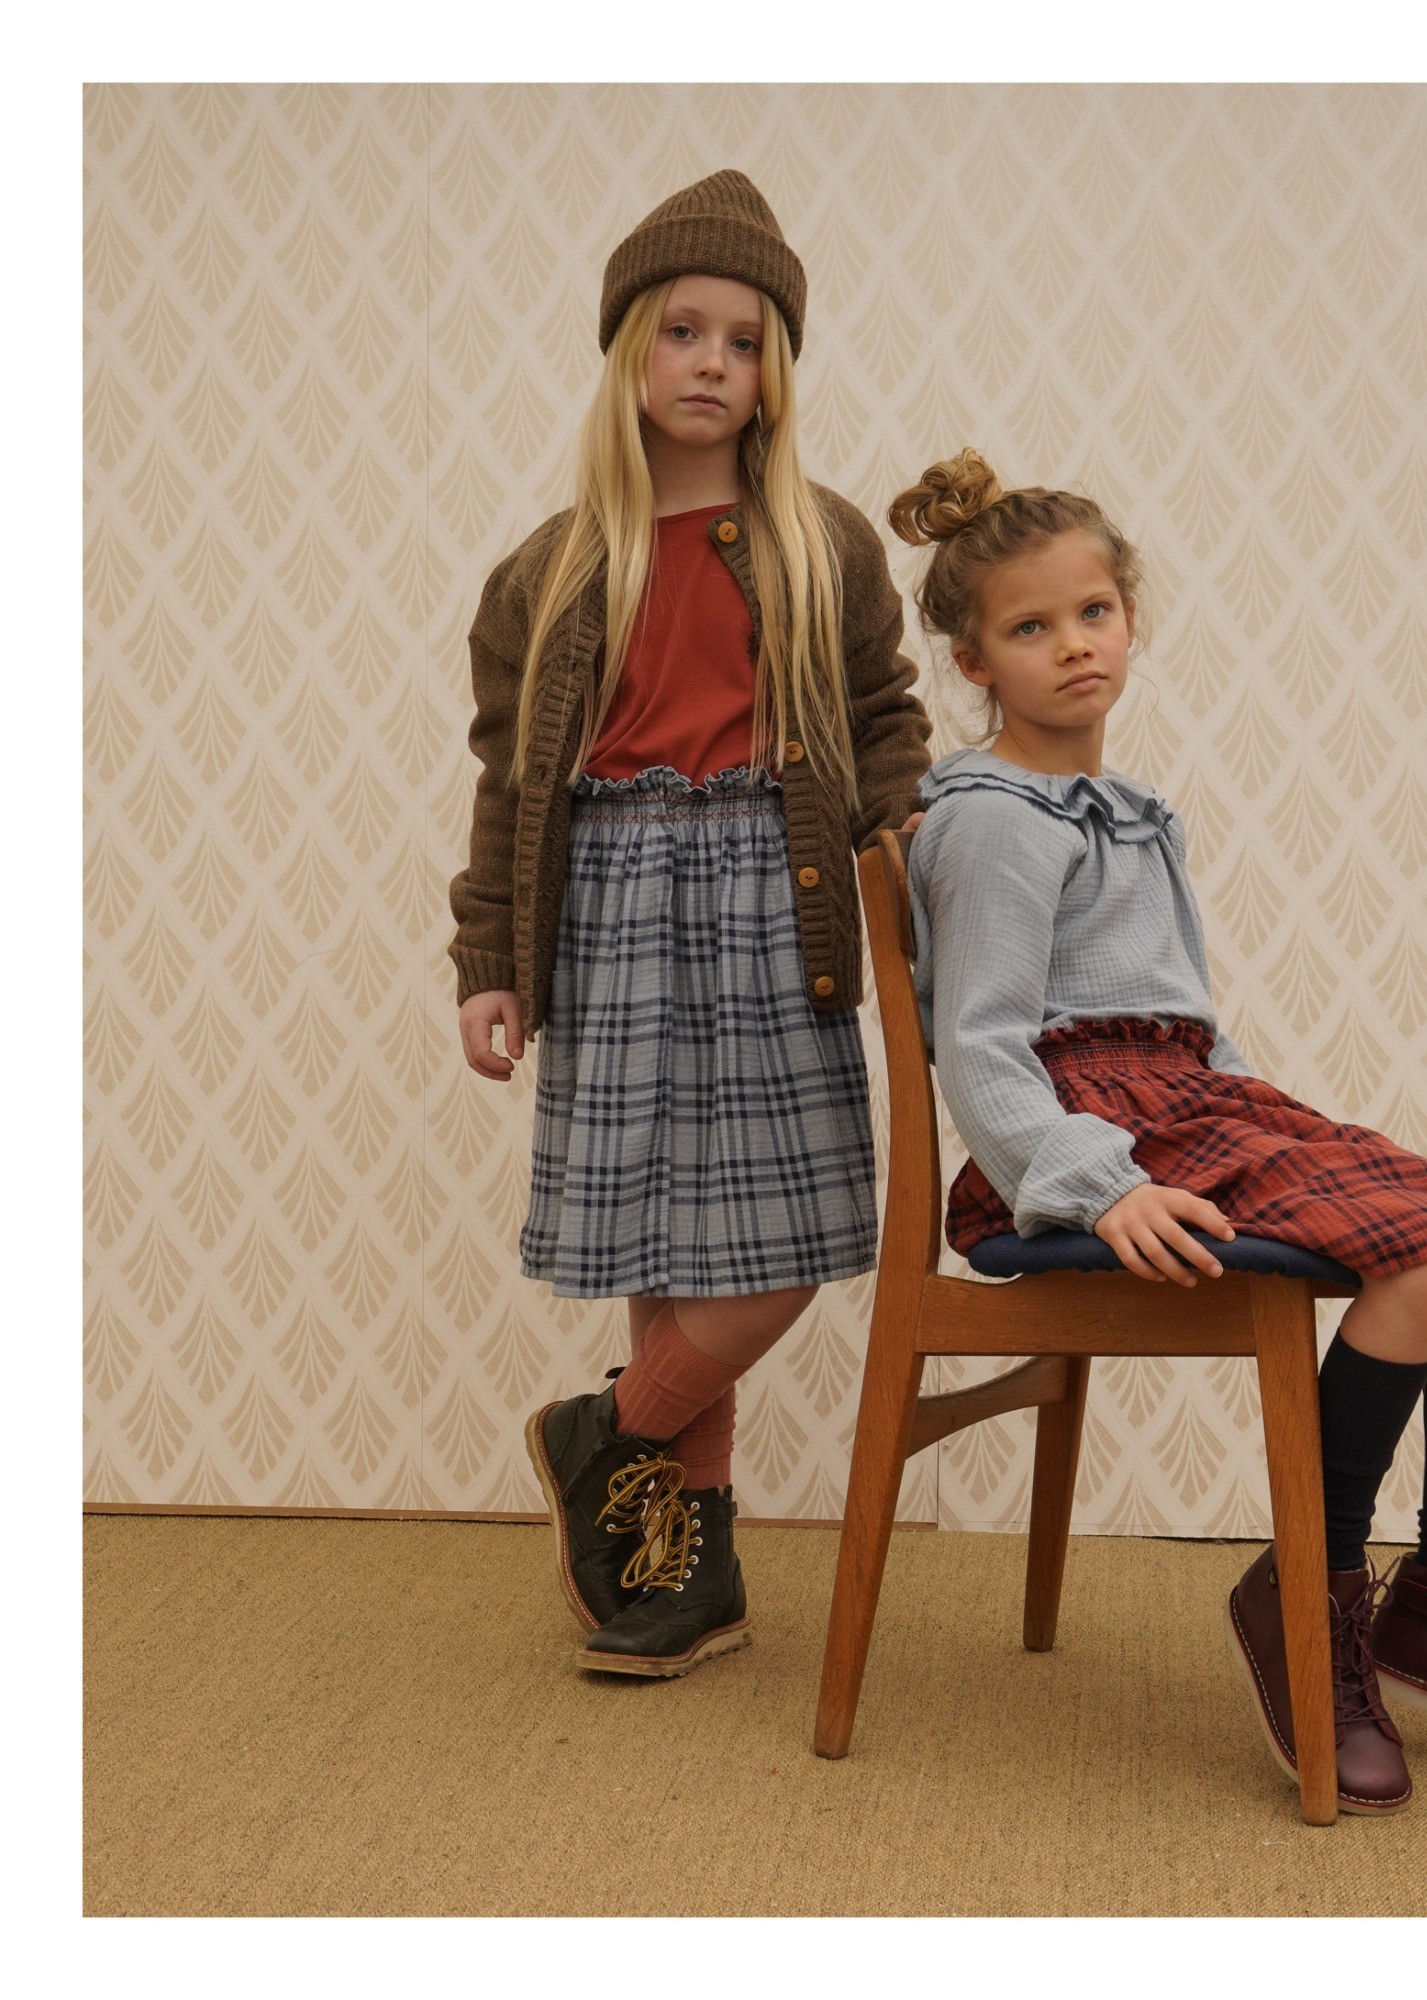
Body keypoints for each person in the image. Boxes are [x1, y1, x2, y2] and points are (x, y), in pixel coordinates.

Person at [893, 449, 1427, 1814]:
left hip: (1192, 1106)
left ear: (1133, 618)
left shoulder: (1134, 813)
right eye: (1032, 627)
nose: (1075, 645)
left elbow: (1184, 1016)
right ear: (973, 660)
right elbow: (984, 1049)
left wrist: (1273, 1117)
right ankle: (1309, 1585)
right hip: (1086, 1140)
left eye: (1094, 613)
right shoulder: (992, 825)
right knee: (1422, 1260)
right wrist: (1096, 1186)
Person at [446, 170, 930, 1681]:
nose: (713, 362)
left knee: (790, 1232)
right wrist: (488, 961)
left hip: (776, 899)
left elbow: (883, 722)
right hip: (609, 906)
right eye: (682, 331)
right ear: (628, 353)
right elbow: (510, 779)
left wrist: (914, 853)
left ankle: (609, 1426)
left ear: (776, 369)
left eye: (745, 340)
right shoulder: (550, 568)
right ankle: (690, 1560)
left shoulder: (822, 541)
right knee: (666, 1238)